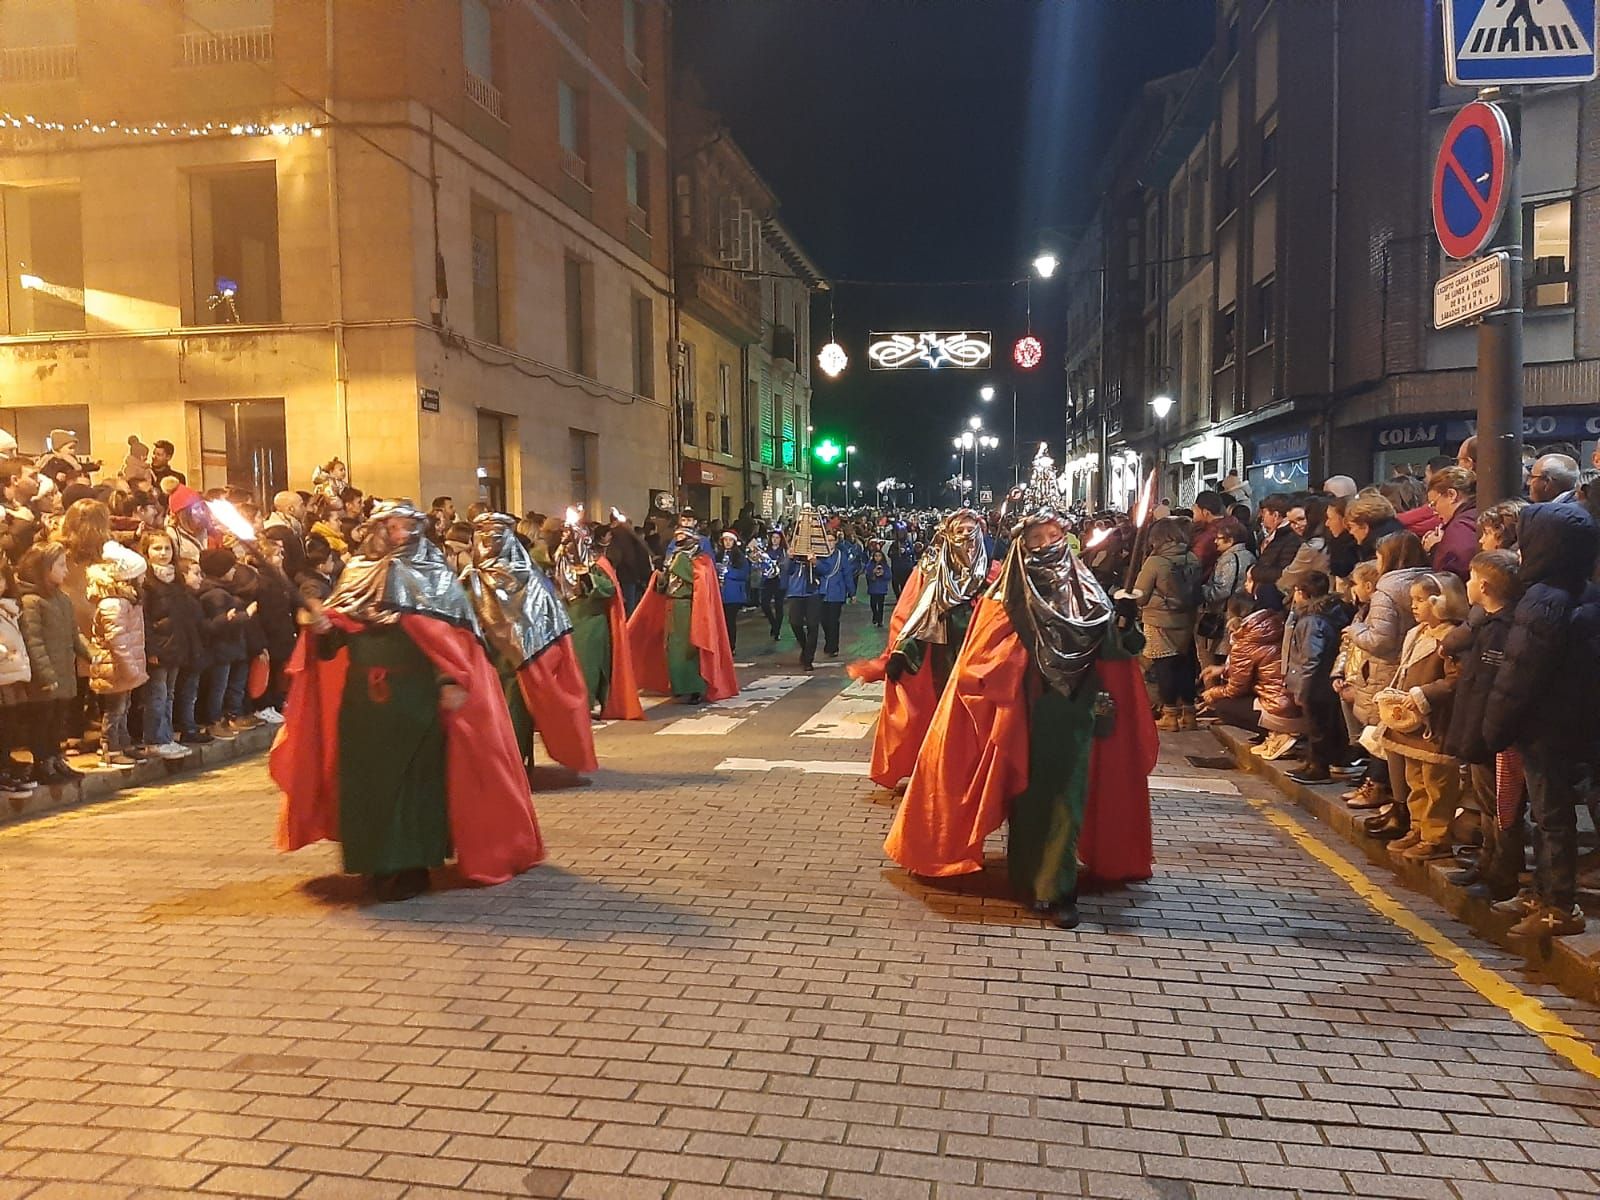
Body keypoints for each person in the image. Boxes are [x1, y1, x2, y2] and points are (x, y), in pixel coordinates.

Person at [884, 499, 1156, 930]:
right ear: (1020, 547)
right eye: (1035, 539)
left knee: (1063, 799)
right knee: (1025, 798)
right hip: (1016, 713)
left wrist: (1125, 622)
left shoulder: (1087, 593)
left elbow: (1116, 650)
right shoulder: (1001, 598)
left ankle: (1053, 887)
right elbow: (981, 658)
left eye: (1053, 537)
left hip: (1072, 715)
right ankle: (1028, 873)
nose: (1046, 546)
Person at [273, 499, 544, 900]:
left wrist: (450, 679)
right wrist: (323, 628)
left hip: (414, 697)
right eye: (392, 527)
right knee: (367, 783)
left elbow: (453, 638)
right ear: (377, 531)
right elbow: (336, 639)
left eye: (406, 527)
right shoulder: (356, 573)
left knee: (414, 783)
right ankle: (374, 863)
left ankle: (414, 864)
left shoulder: (433, 575)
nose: (399, 535)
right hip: (363, 701)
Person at [1484, 502, 1599, 937]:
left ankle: (1559, 904)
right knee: (1548, 814)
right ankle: (1542, 891)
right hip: (1573, 723)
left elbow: (1520, 671)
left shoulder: (1542, 601)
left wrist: (1495, 726)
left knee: (1551, 817)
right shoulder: (1585, 591)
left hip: (1544, 727)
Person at [851, 509, 991, 791]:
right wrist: (899, 653)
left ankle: (975, 772)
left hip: (979, 658)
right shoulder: (928, 571)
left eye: (970, 531)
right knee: (940, 714)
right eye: (959, 531)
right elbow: (909, 614)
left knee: (978, 717)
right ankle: (939, 770)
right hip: (937, 655)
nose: (966, 537)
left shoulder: (993, 573)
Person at [460, 511, 598, 782]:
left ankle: (511, 764)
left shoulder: (526, 575)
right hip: (483, 657)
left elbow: (547, 611)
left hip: (518, 659)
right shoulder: (472, 577)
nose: (489, 543)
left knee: (512, 713)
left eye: (495, 537)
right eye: (483, 537)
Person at [1441, 551, 1522, 902]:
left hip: (1492, 734)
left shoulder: (1505, 629)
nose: (1467, 585)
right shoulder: (1487, 624)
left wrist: (1487, 732)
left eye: (1472, 579)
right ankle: (1486, 862)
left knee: (1500, 807)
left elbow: (1496, 686)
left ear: (1485, 586)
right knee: (1485, 800)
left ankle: (1501, 874)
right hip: (1475, 728)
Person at [1373, 573, 1467, 860]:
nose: (1413, 606)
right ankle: (1417, 827)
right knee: (1415, 777)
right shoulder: (1418, 633)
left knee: (1437, 781)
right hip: (1410, 721)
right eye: (1413, 599)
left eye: (1420, 600)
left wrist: (1423, 693)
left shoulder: (1452, 638)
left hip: (1435, 721)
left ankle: (1436, 835)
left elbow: (1456, 679)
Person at [627, 513, 738, 704]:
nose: (678, 540)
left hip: (689, 607)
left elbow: (698, 579)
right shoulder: (673, 556)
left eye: (681, 537)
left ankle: (695, 687)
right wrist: (660, 576)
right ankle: (679, 686)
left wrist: (675, 566)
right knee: (672, 648)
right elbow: (666, 582)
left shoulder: (700, 559)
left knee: (690, 647)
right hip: (672, 605)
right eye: (676, 537)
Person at [552, 515, 642, 720]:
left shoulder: (597, 564)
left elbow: (609, 588)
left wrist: (587, 577)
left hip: (591, 621)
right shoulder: (560, 563)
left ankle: (588, 703)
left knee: (590, 665)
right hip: (568, 620)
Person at [16, 543, 89, 784]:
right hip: (46, 678)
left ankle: (55, 758)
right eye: (60, 565)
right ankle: (42, 762)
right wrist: (46, 676)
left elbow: (73, 634)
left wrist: (91, 653)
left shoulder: (62, 599)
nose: (65, 570)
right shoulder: (31, 602)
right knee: (43, 721)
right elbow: (34, 642)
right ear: (43, 569)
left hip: (64, 671)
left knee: (58, 719)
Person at [1279, 572, 1351, 785]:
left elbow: (1311, 657)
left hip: (1316, 682)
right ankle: (1313, 762)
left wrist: (1303, 689)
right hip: (1321, 680)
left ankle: (1319, 767)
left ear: (1301, 593)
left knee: (1317, 726)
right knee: (1316, 725)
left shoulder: (1312, 621)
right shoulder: (1323, 615)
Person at [1136, 516, 1202, 731]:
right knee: (1184, 665)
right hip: (1186, 619)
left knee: (1165, 666)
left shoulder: (1155, 562)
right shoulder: (1191, 558)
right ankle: (1190, 713)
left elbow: (1140, 595)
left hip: (1159, 621)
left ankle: (1170, 714)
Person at [137, 531, 198, 760]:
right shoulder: (147, 582)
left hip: (177, 644)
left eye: (167, 548)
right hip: (160, 646)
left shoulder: (177, 579)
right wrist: (151, 649)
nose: (163, 553)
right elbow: (145, 618)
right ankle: (155, 739)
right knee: (157, 694)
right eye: (157, 548)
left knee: (170, 693)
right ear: (147, 552)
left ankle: (167, 735)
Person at [1199, 596, 1287, 735]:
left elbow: (1236, 688)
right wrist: (1223, 669)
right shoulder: (1274, 627)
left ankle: (1274, 733)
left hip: (1280, 710)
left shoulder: (1246, 641)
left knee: (1223, 707)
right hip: (1289, 704)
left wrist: (1212, 693)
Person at [1198, 517, 1253, 667]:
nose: (1215, 542)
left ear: (1231, 540)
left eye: (1219, 539)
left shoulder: (1229, 559)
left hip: (1225, 613)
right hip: (1241, 609)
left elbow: (1222, 589)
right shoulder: (1248, 555)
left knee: (1217, 655)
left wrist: (1202, 591)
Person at [1421, 466, 1477, 580]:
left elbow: (1451, 577)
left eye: (1434, 503)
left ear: (1452, 495)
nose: (1434, 511)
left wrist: (1435, 547)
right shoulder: (1478, 512)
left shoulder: (1460, 527)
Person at [1252, 496, 1302, 591]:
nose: (1262, 518)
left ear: (1275, 515)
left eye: (1264, 513)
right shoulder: (1279, 535)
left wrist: (1255, 571)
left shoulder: (1290, 538)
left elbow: (1284, 571)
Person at [713, 531, 751, 653]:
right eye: (725, 540)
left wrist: (728, 571)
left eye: (730, 540)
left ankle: (730, 646)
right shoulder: (717, 555)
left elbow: (744, 574)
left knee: (730, 621)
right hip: (719, 592)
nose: (727, 543)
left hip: (733, 594)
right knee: (719, 621)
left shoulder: (739, 556)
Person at [752, 530, 788, 640]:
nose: (775, 540)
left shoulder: (784, 552)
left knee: (778, 606)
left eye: (777, 538)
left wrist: (778, 565)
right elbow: (760, 564)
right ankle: (774, 624)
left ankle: (777, 630)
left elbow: (786, 565)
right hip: (767, 580)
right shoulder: (766, 551)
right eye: (773, 537)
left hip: (779, 580)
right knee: (764, 604)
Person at [863, 541, 892, 627]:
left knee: (880, 604)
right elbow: (867, 574)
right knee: (873, 604)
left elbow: (889, 575)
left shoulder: (885, 565)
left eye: (879, 556)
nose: (877, 558)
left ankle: (880, 620)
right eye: (876, 556)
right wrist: (873, 572)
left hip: (882, 588)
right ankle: (875, 615)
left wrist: (883, 574)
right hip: (873, 588)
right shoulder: (870, 565)